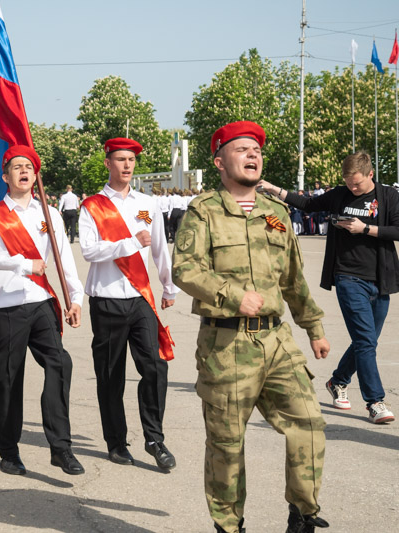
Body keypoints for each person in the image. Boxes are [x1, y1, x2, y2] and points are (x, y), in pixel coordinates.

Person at [172, 121, 330, 533]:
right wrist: (230, 294)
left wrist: (313, 327)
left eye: (257, 149)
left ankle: (303, 514)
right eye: (242, 149)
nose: (253, 154)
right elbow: (184, 269)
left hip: (277, 340)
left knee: (308, 423)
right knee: (227, 444)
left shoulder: (276, 214)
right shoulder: (203, 210)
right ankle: (229, 526)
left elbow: (293, 278)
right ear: (220, 160)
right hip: (227, 345)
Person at [259, 150, 399, 424]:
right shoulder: (339, 194)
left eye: (357, 183)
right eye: (348, 183)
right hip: (348, 277)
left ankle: (338, 381)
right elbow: (307, 204)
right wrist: (273, 189)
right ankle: (375, 401)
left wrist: (365, 229)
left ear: (371, 174)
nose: (352, 188)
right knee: (366, 341)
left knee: (366, 341)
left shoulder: (389, 197)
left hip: (380, 280)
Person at [0, 145, 85, 477]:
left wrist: (74, 298)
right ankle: (8, 450)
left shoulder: (48, 213)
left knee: (59, 362)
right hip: (5, 307)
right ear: (5, 176)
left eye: (29, 166)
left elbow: (64, 258)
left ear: (35, 175)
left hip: (41, 303)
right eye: (16, 167)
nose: (24, 171)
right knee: (9, 377)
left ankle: (60, 447)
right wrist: (21, 263)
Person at [79, 138, 180, 470]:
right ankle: (116, 441)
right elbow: (90, 251)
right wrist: (127, 243)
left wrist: (168, 286)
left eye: (131, 160)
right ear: (107, 162)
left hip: (140, 299)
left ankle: (155, 438)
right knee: (111, 376)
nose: (127, 165)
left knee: (155, 366)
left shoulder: (148, 203)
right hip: (107, 300)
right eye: (120, 159)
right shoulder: (92, 205)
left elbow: (160, 249)